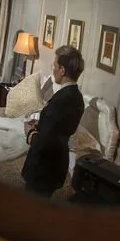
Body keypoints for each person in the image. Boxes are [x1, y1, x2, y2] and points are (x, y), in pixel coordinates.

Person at [21, 45, 85, 198]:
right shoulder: (77, 97)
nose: (53, 69)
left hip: (43, 167)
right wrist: (41, 125)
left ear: (62, 70)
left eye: (54, 65)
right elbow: (58, 129)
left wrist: (29, 131)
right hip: (57, 164)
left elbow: (45, 143)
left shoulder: (62, 100)